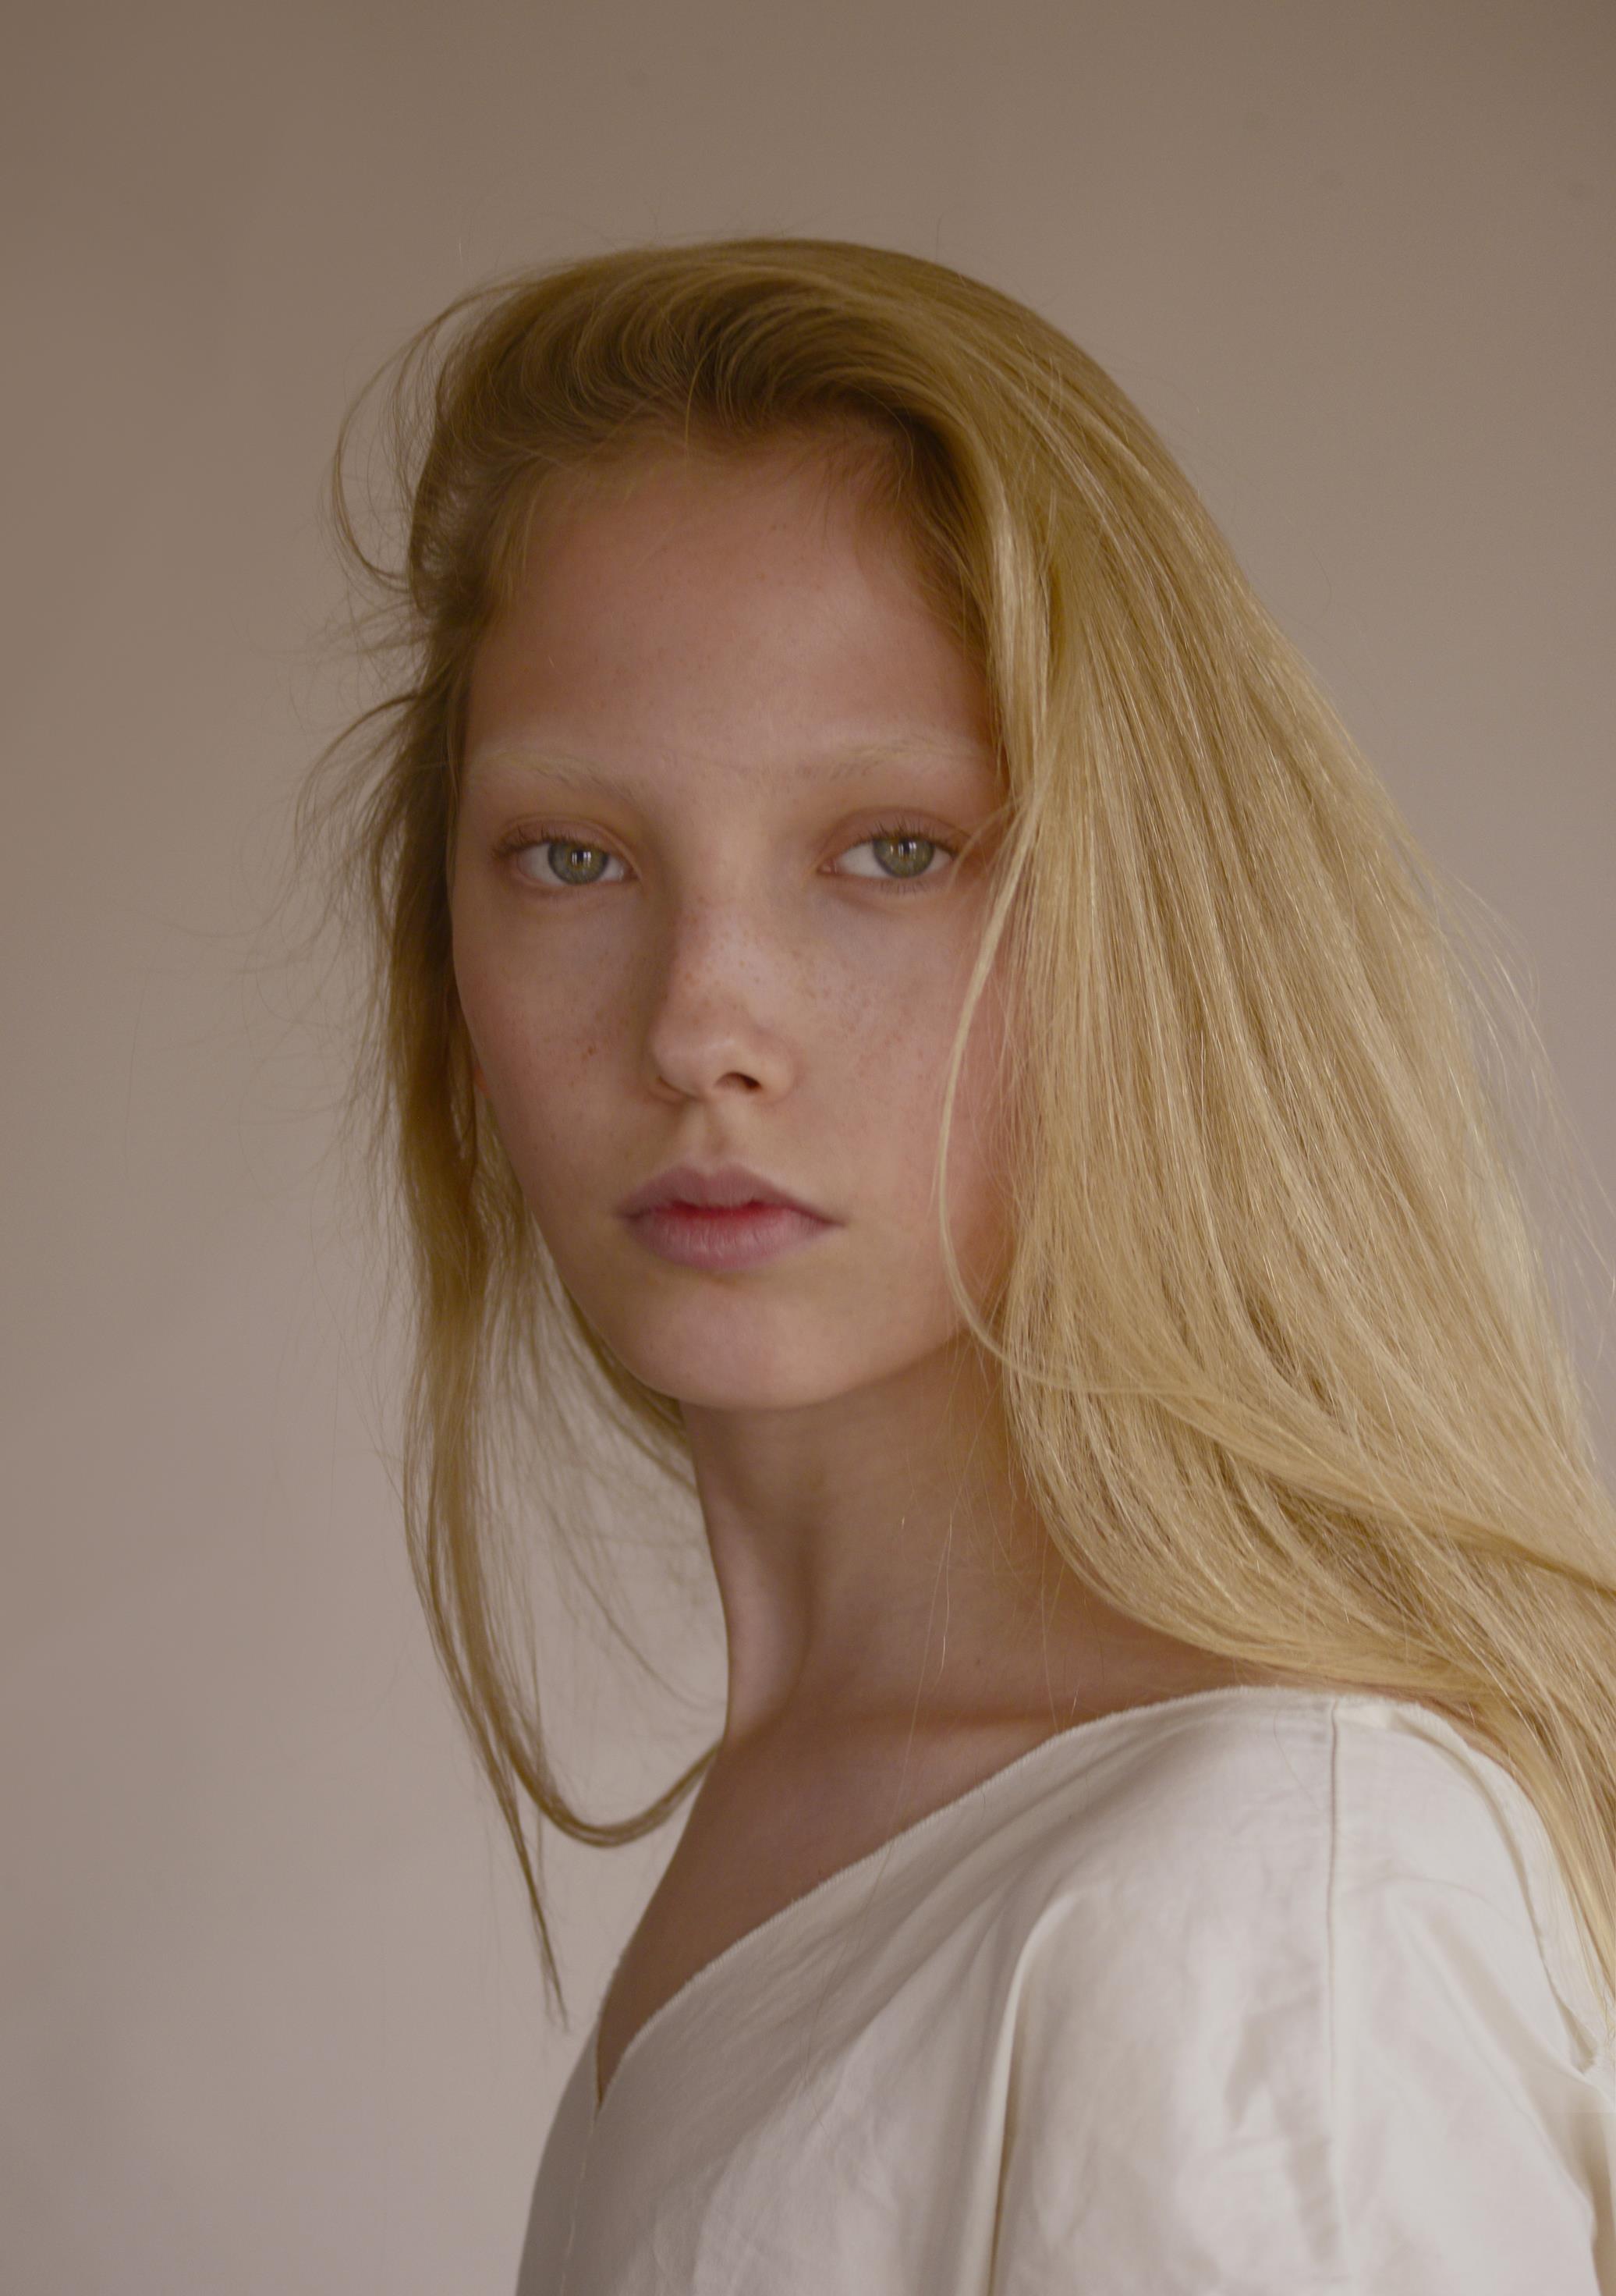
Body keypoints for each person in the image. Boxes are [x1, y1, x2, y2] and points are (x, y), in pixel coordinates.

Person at [289, 238, 1616, 2291]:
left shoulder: (1272, 1911)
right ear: (441, 956)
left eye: (893, 850)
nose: (702, 1025)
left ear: (1150, 927)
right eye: (574, 856)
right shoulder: (832, 1808)